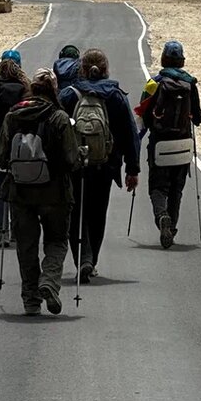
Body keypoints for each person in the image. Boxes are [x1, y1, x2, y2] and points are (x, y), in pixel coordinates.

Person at [0, 68, 81, 316]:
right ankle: (49, 281)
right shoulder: (59, 117)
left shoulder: (13, 116)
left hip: (20, 194)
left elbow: (1, 158)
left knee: (26, 246)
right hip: (55, 193)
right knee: (57, 240)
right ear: (54, 90)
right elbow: (71, 159)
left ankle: (31, 299)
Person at [59, 48, 139, 282]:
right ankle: (91, 261)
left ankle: (81, 259)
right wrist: (132, 170)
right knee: (97, 213)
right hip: (104, 166)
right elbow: (129, 135)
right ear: (105, 70)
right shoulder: (115, 96)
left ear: (81, 69)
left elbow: (56, 130)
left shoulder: (69, 95)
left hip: (74, 166)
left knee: (75, 214)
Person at [136, 40, 201, 249]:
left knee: (158, 187)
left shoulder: (153, 83)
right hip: (183, 145)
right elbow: (198, 118)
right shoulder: (190, 84)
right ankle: (171, 228)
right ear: (182, 61)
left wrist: (137, 141)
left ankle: (161, 216)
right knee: (177, 189)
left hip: (159, 145)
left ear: (164, 59)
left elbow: (143, 116)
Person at [0, 50, 28, 247]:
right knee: (20, 187)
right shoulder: (25, 88)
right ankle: (18, 231)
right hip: (21, 143)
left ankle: (3, 232)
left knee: (0, 188)